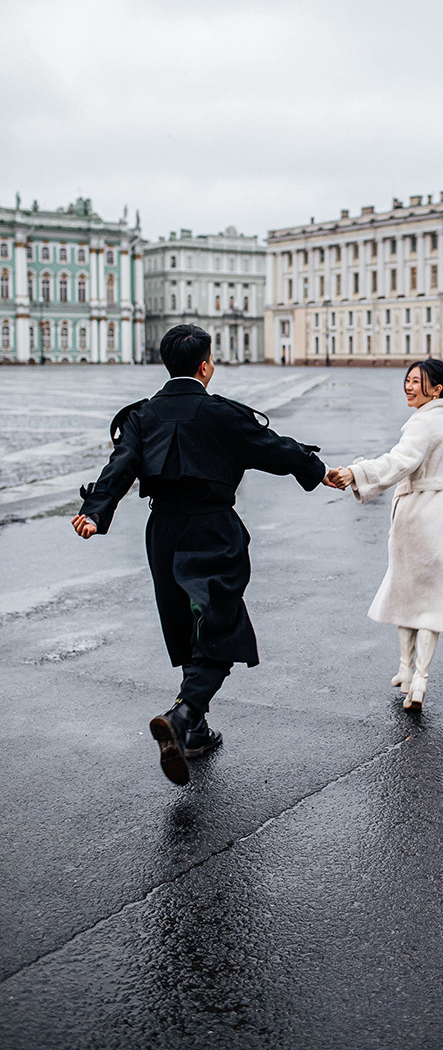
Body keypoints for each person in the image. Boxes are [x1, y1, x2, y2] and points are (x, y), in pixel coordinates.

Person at [71, 324, 337, 786]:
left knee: (184, 622)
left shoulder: (142, 415)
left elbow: (120, 464)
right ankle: (183, 715)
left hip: (163, 531)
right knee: (219, 625)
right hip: (213, 527)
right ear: (206, 366)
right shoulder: (221, 414)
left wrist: (95, 512)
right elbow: (273, 449)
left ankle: (194, 731)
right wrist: (319, 470)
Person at [329, 359, 443, 711]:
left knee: (407, 595)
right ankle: (415, 677)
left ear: (437, 389)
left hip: (420, 516)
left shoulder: (422, 423)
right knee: (433, 603)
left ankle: (409, 672)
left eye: (416, 381)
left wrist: (355, 472)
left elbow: (398, 462)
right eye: (406, 380)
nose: (408, 386)